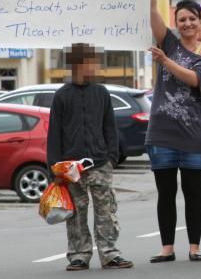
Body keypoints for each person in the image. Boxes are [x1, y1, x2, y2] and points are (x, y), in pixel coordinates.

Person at [145, 0, 201, 263]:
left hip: (194, 134)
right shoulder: (168, 42)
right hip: (161, 132)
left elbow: (196, 79)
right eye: (182, 19)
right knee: (165, 193)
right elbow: (152, 15)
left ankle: (195, 247)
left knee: (192, 191)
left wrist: (166, 63)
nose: (186, 23)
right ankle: (167, 248)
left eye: (192, 19)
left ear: (200, 21)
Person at [47, 43, 132, 271]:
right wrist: (54, 168)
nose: (93, 66)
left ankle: (109, 253)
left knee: (106, 209)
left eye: (94, 62)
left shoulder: (101, 93)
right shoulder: (61, 95)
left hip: (100, 162)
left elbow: (109, 127)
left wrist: (111, 158)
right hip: (70, 166)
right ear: (75, 65)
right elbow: (54, 133)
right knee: (75, 211)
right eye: (88, 62)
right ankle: (79, 255)